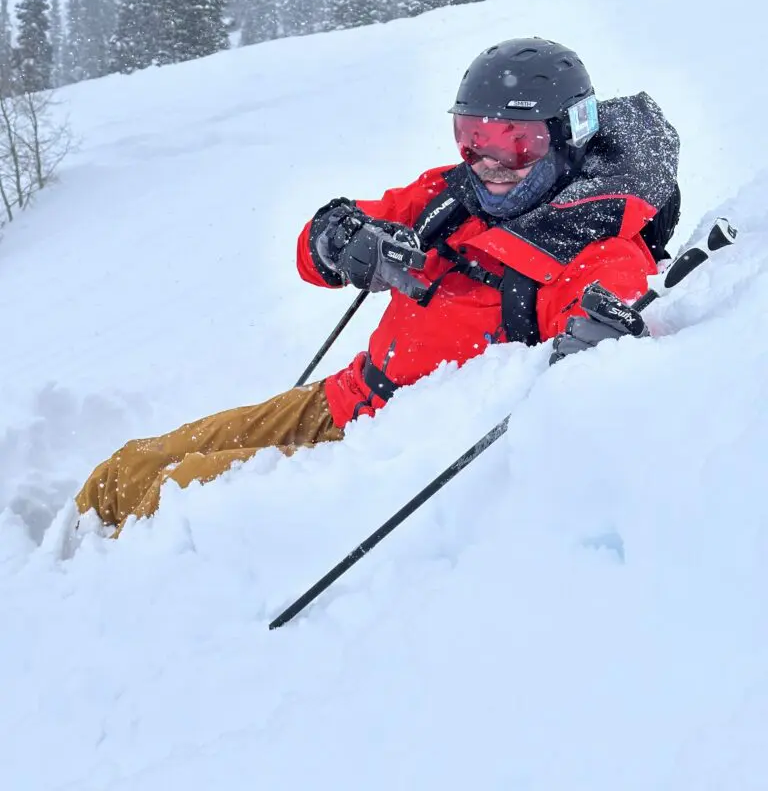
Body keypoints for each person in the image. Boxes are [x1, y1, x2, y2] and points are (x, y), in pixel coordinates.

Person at [76, 38, 681, 533]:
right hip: (341, 398)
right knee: (129, 466)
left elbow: (614, 347)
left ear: (567, 135)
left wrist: (601, 340)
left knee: (165, 492)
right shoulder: (453, 195)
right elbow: (320, 246)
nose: (488, 162)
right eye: (472, 138)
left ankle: (115, 603)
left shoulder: (597, 249)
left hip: (383, 457)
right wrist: (338, 240)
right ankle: (57, 564)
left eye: (516, 143)